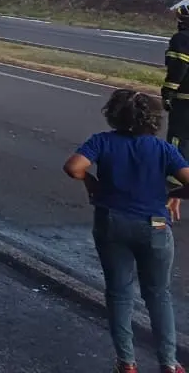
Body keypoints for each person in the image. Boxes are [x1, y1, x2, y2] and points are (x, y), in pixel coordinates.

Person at [65, 88, 189, 373]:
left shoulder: (103, 142)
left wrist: (90, 182)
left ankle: (127, 362)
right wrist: (175, 193)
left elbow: (74, 167)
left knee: (119, 293)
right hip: (155, 226)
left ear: (114, 114)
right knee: (158, 294)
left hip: (112, 224)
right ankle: (169, 363)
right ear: (154, 120)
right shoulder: (163, 149)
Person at [162, 0, 189, 221]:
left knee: (178, 144)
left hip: (185, 102)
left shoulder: (182, 39)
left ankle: (171, 195)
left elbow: (178, 68)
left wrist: (167, 92)